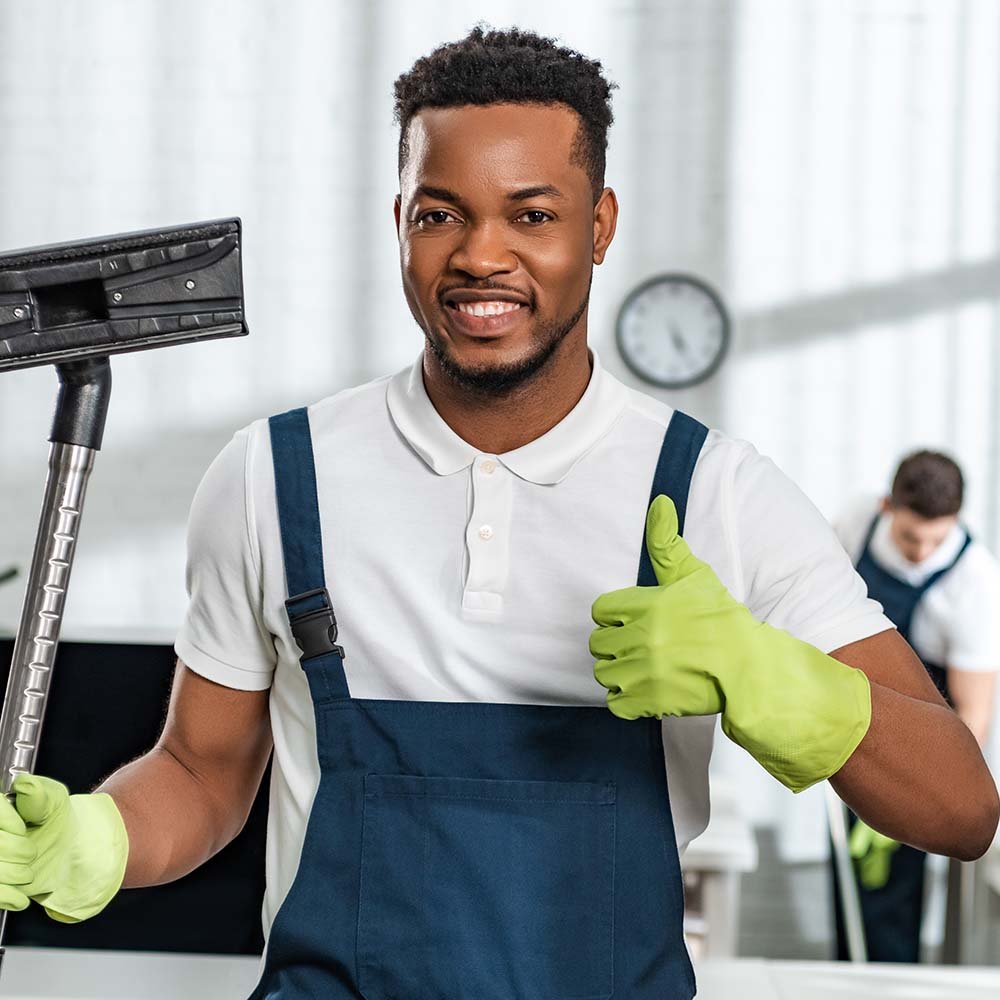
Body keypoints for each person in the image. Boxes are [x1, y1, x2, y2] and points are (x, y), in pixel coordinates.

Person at [0, 27, 996, 999]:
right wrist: (100, 836)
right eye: (440, 214)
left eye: (531, 214)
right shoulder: (270, 475)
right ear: (398, 221)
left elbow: (960, 806)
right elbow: (201, 771)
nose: (481, 255)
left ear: (599, 224)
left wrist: (764, 674)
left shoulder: (717, 494)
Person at [832, 450, 1000, 963]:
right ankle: (843, 980)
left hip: (924, 730)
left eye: (936, 539)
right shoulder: (857, 522)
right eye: (910, 538)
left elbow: (973, 714)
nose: (922, 552)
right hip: (848, 715)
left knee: (895, 891)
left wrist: (925, 787)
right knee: (845, 873)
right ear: (887, 506)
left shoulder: (976, 586)